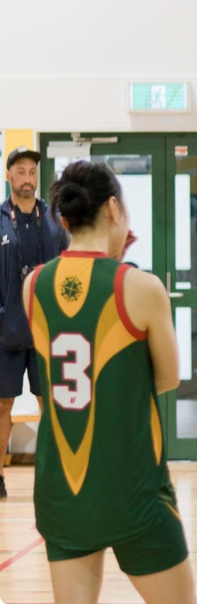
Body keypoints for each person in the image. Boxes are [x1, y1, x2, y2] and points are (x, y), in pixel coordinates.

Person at [23, 160, 195, 604]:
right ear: (115, 209)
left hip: (63, 492)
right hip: (133, 488)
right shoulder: (141, 286)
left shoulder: (33, 285)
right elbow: (167, 377)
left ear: (63, 218)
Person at [0, 146, 68, 499]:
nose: (27, 179)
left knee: (51, 404)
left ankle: (58, 475)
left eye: (32, 172)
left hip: (47, 332)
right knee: (2, 405)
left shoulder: (54, 222)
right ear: (9, 175)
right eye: (20, 172)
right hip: (7, 331)